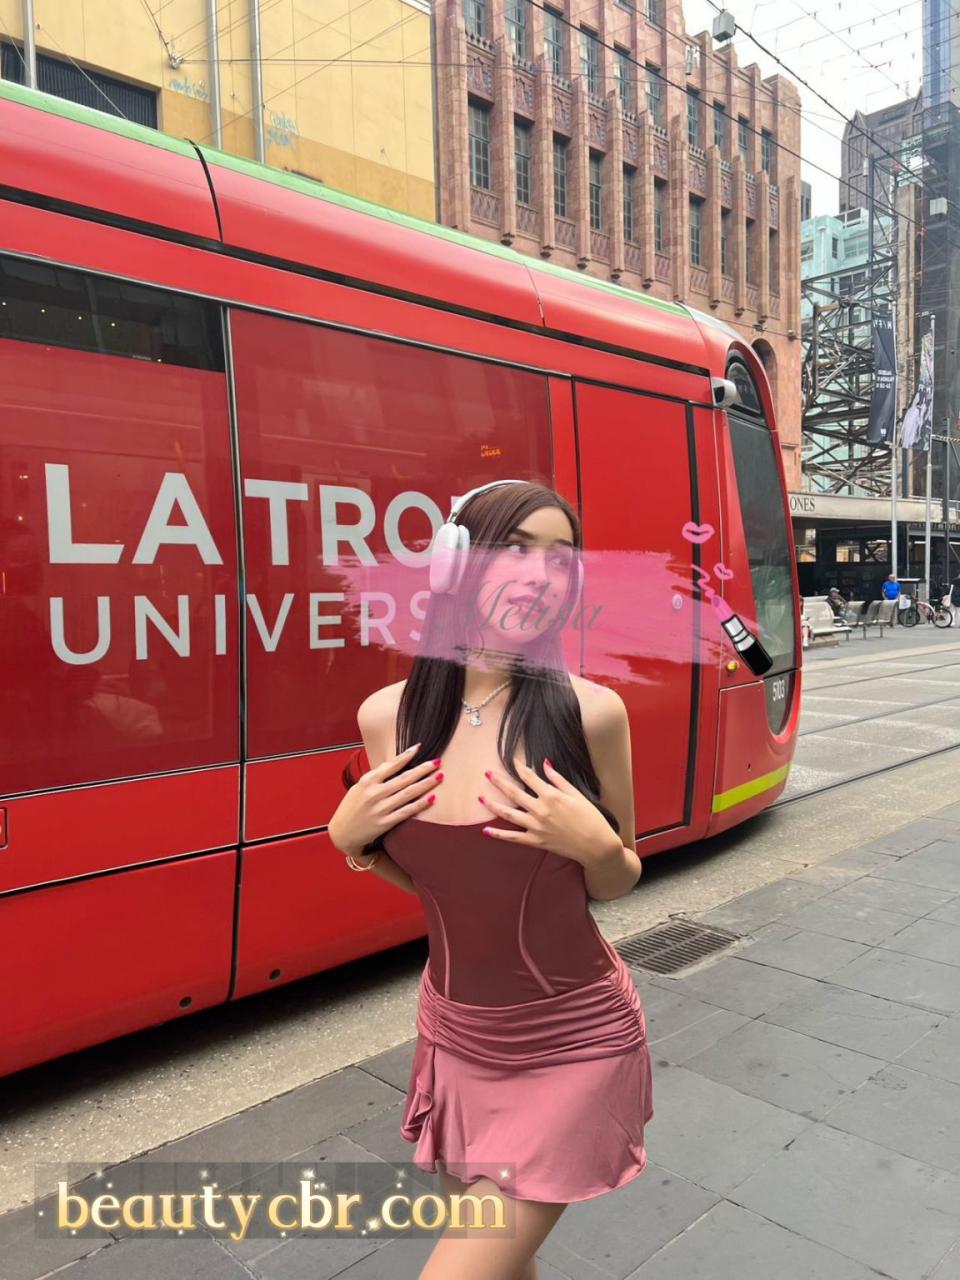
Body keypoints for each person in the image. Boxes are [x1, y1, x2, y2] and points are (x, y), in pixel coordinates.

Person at [328, 479, 653, 1280]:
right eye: (516, 550)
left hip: (575, 1037)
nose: (542, 575)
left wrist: (597, 845)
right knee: (503, 1265)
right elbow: (442, 885)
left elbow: (617, 880)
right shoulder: (387, 717)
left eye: (561, 558)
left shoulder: (591, 713)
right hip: (458, 1036)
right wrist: (352, 844)